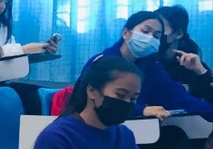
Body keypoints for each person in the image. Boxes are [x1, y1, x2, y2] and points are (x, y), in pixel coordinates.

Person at [19, 56, 142, 149]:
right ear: (92, 91)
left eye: (133, 99)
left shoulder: (125, 135)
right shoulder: (58, 138)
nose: (127, 103)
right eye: (120, 95)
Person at [85, 11, 213, 125]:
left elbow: (179, 98)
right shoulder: (101, 62)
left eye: (156, 36)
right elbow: (90, 101)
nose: (150, 38)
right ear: (126, 33)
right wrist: (141, 110)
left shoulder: (153, 68)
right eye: (145, 31)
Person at [158, 5, 205, 89]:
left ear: (179, 34)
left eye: (161, 28)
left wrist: (201, 71)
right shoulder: (145, 61)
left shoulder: (193, 65)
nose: (155, 34)